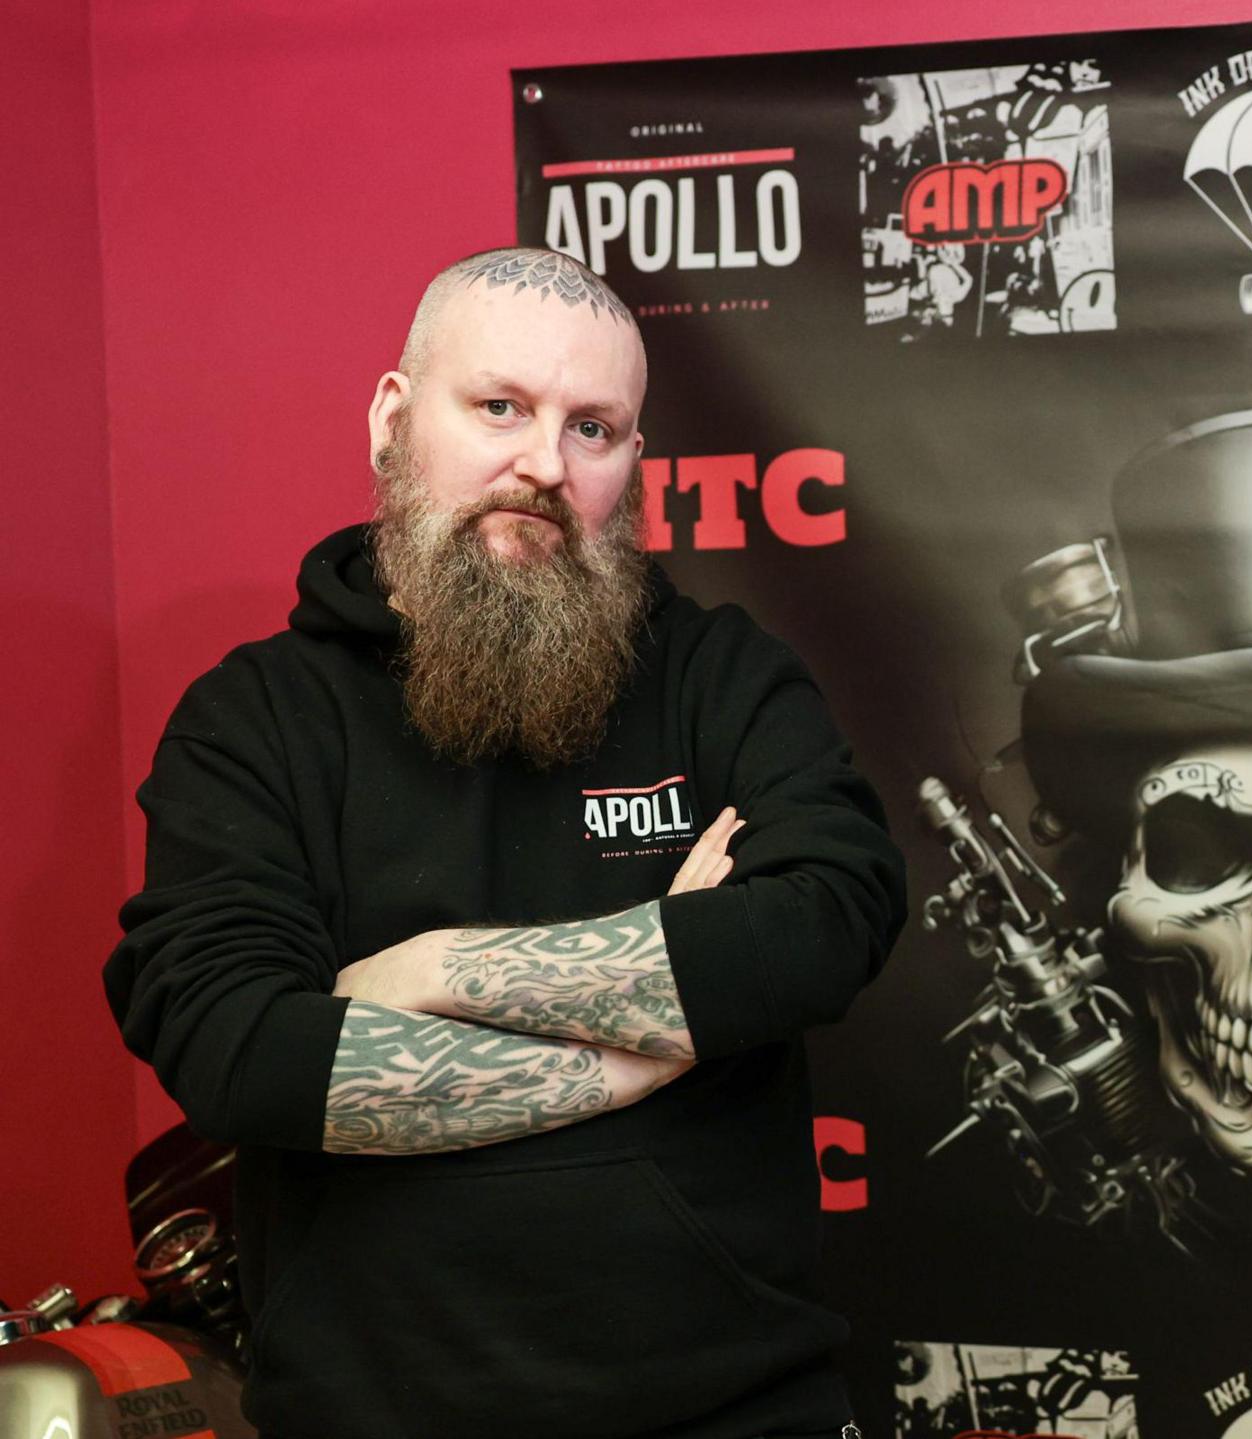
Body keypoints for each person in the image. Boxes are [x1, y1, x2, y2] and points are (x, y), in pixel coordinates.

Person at [105, 247, 907, 1439]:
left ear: (632, 461)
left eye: (594, 427)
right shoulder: (255, 720)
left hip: (735, 1409)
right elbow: (238, 1045)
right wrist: (656, 1031)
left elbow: (828, 917)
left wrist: (423, 976)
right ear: (392, 416)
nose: (542, 463)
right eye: (499, 407)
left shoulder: (718, 674)